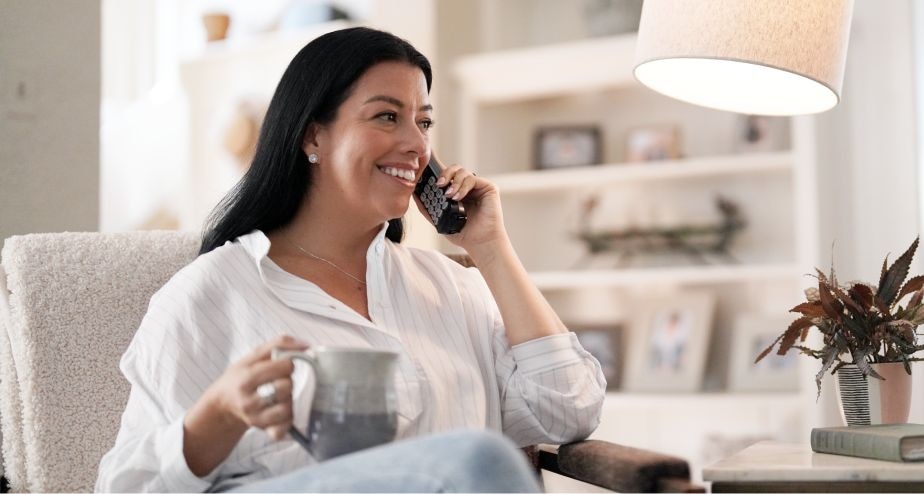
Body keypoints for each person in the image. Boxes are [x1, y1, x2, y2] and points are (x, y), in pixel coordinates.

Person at [96, 27, 606, 492]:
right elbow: (123, 487)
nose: (416, 145)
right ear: (312, 135)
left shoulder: (452, 289)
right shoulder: (209, 296)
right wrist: (218, 417)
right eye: (387, 116)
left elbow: (568, 411)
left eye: (423, 122)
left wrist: (492, 251)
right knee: (477, 458)